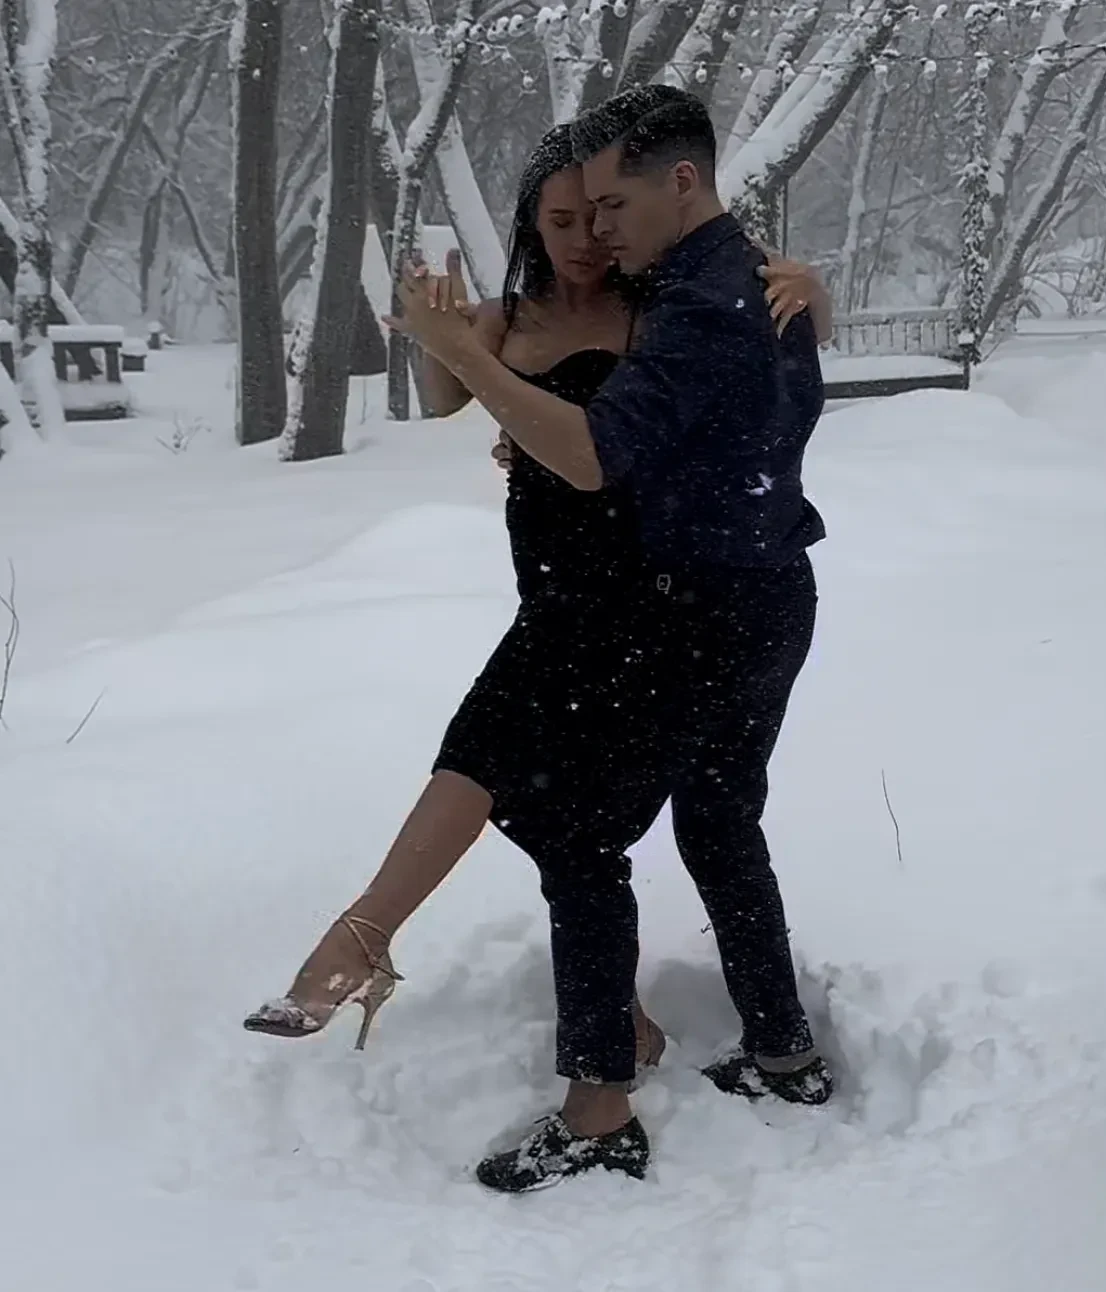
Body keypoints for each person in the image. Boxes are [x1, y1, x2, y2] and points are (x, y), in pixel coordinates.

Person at [245, 109, 830, 1191]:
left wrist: (480, 365)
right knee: (678, 817)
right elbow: (481, 401)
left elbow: (604, 446)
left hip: (661, 608)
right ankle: (767, 1048)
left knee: (572, 826)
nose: (593, 233)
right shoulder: (680, 286)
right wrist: (465, 356)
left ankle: (596, 1095)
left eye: (606, 208)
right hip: (662, 596)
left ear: (673, 185)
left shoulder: (684, 299)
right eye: (568, 217)